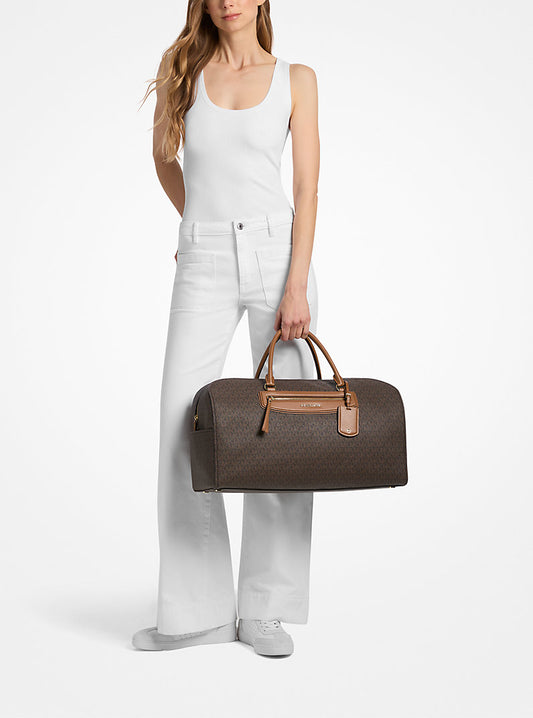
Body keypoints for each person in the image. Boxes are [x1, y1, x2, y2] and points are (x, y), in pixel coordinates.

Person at [132, 0, 320, 658]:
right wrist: (196, 225)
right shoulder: (181, 69)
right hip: (204, 256)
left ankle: (266, 609)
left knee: (283, 430)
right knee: (180, 423)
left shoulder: (296, 78)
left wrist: (296, 283)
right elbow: (165, 158)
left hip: (278, 256)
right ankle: (196, 614)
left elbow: (306, 187)